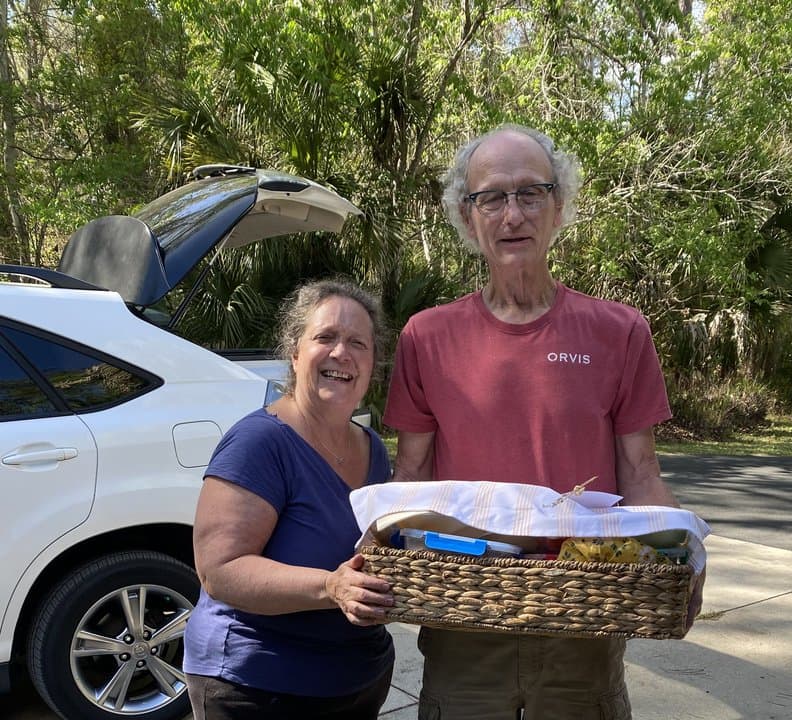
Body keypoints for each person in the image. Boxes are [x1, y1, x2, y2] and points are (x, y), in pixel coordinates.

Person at [383, 124, 704, 720]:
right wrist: (374, 546)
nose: (512, 215)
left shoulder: (619, 331)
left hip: (584, 620)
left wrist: (685, 554)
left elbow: (640, 472)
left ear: (559, 208)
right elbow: (412, 471)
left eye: (531, 194)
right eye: (492, 198)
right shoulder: (426, 337)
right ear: (466, 215)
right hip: (464, 619)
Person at [184, 278, 395, 720]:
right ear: (295, 353)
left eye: (358, 342)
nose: (342, 353)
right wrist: (329, 587)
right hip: (258, 686)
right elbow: (220, 571)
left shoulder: (373, 449)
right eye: (325, 337)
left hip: (357, 680)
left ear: (372, 364)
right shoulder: (260, 442)